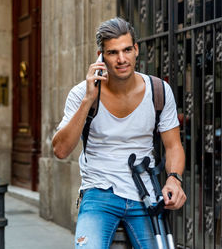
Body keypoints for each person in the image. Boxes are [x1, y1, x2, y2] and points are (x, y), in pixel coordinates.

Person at [52, 17, 186, 249]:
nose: (122, 59)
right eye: (113, 52)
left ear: (136, 50)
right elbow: (60, 150)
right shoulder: (81, 94)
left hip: (145, 193)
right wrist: (88, 100)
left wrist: (174, 179)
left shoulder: (158, 91)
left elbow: (173, 146)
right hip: (98, 193)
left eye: (126, 50)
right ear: (101, 56)